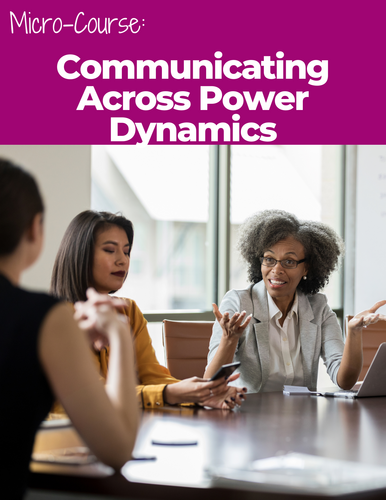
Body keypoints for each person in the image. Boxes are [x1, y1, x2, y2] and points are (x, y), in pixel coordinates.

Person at [0, 160, 140, 500]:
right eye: (110, 250)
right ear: (35, 230)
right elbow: (117, 448)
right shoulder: (43, 318)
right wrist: (119, 335)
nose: (121, 259)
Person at [50, 210, 246, 410]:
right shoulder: (55, 319)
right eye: (110, 250)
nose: (123, 260)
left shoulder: (128, 310)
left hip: (123, 427)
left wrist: (202, 393)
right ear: (80, 254)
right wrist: (172, 393)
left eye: (126, 252)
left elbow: (153, 377)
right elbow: (92, 396)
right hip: (65, 435)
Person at [204, 209, 386, 393]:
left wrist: (354, 332)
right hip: (248, 416)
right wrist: (229, 339)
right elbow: (210, 383)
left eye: (289, 261)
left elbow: (344, 381)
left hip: (303, 415)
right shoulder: (239, 303)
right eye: (269, 259)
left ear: (306, 268)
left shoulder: (318, 308)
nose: (276, 270)